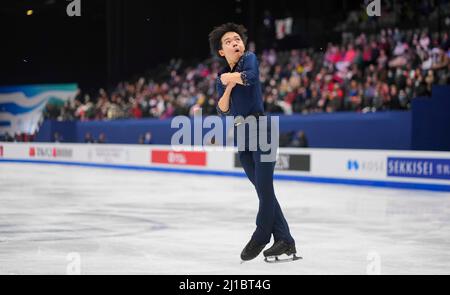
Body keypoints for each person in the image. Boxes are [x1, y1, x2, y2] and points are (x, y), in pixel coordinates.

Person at [209, 23, 298, 262]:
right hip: (242, 133)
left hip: (262, 128)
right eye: (228, 41)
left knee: (265, 187)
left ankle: (261, 235)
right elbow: (222, 110)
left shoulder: (250, 58)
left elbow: (251, 77)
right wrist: (227, 84)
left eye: (237, 39)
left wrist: (232, 77)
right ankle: (285, 239)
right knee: (261, 189)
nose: (235, 43)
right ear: (221, 52)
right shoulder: (221, 79)